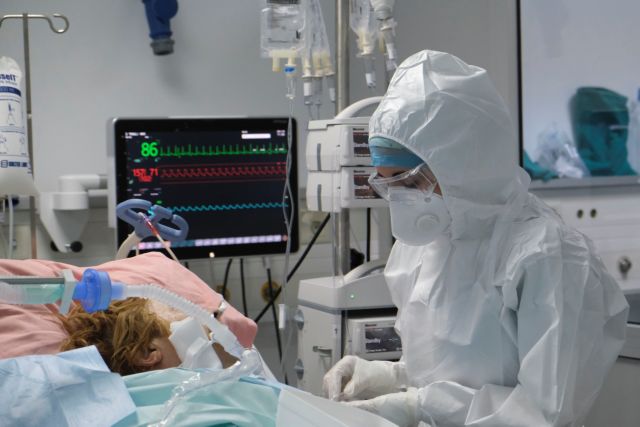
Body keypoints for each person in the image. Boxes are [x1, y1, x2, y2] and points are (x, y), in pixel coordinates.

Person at [322, 50, 629, 427]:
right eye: (387, 183)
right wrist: (388, 376)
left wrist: (418, 405)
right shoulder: (422, 248)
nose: (399, 200)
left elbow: (544, 413)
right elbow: (439, 371)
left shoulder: (547, 255)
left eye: (410, 182)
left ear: (463, 165)